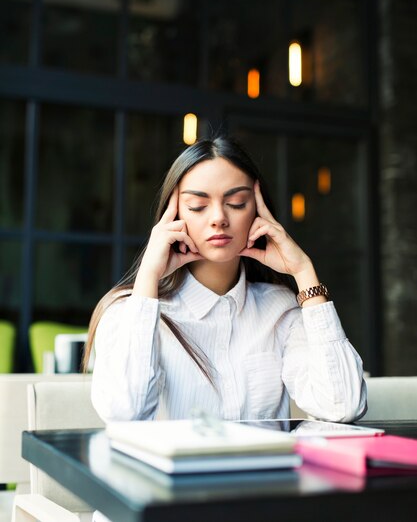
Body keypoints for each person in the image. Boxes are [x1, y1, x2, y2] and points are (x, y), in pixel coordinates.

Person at [85, 136, 367, 426]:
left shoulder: (280, 310)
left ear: (257, 211)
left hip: (265, 471)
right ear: (174, 215)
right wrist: (149, 277)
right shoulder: (129, 313)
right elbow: (124, 414)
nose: (219, 218)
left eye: (236, 202)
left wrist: (304, 271)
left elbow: (342, 406)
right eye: (197, 206)